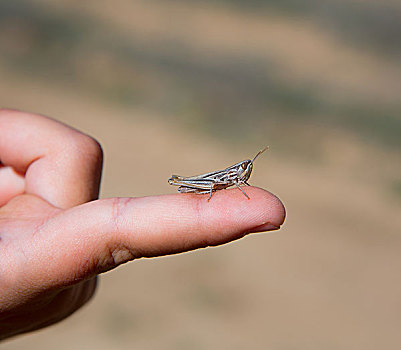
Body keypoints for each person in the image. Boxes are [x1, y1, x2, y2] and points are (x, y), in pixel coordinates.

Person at [0, 109, 285, 340]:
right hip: (205, 184)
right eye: (245, 168)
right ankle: (184, 182)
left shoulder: (239, 179)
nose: (245, 172)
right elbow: (225, 181)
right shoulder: (232, 178)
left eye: (247, 170)